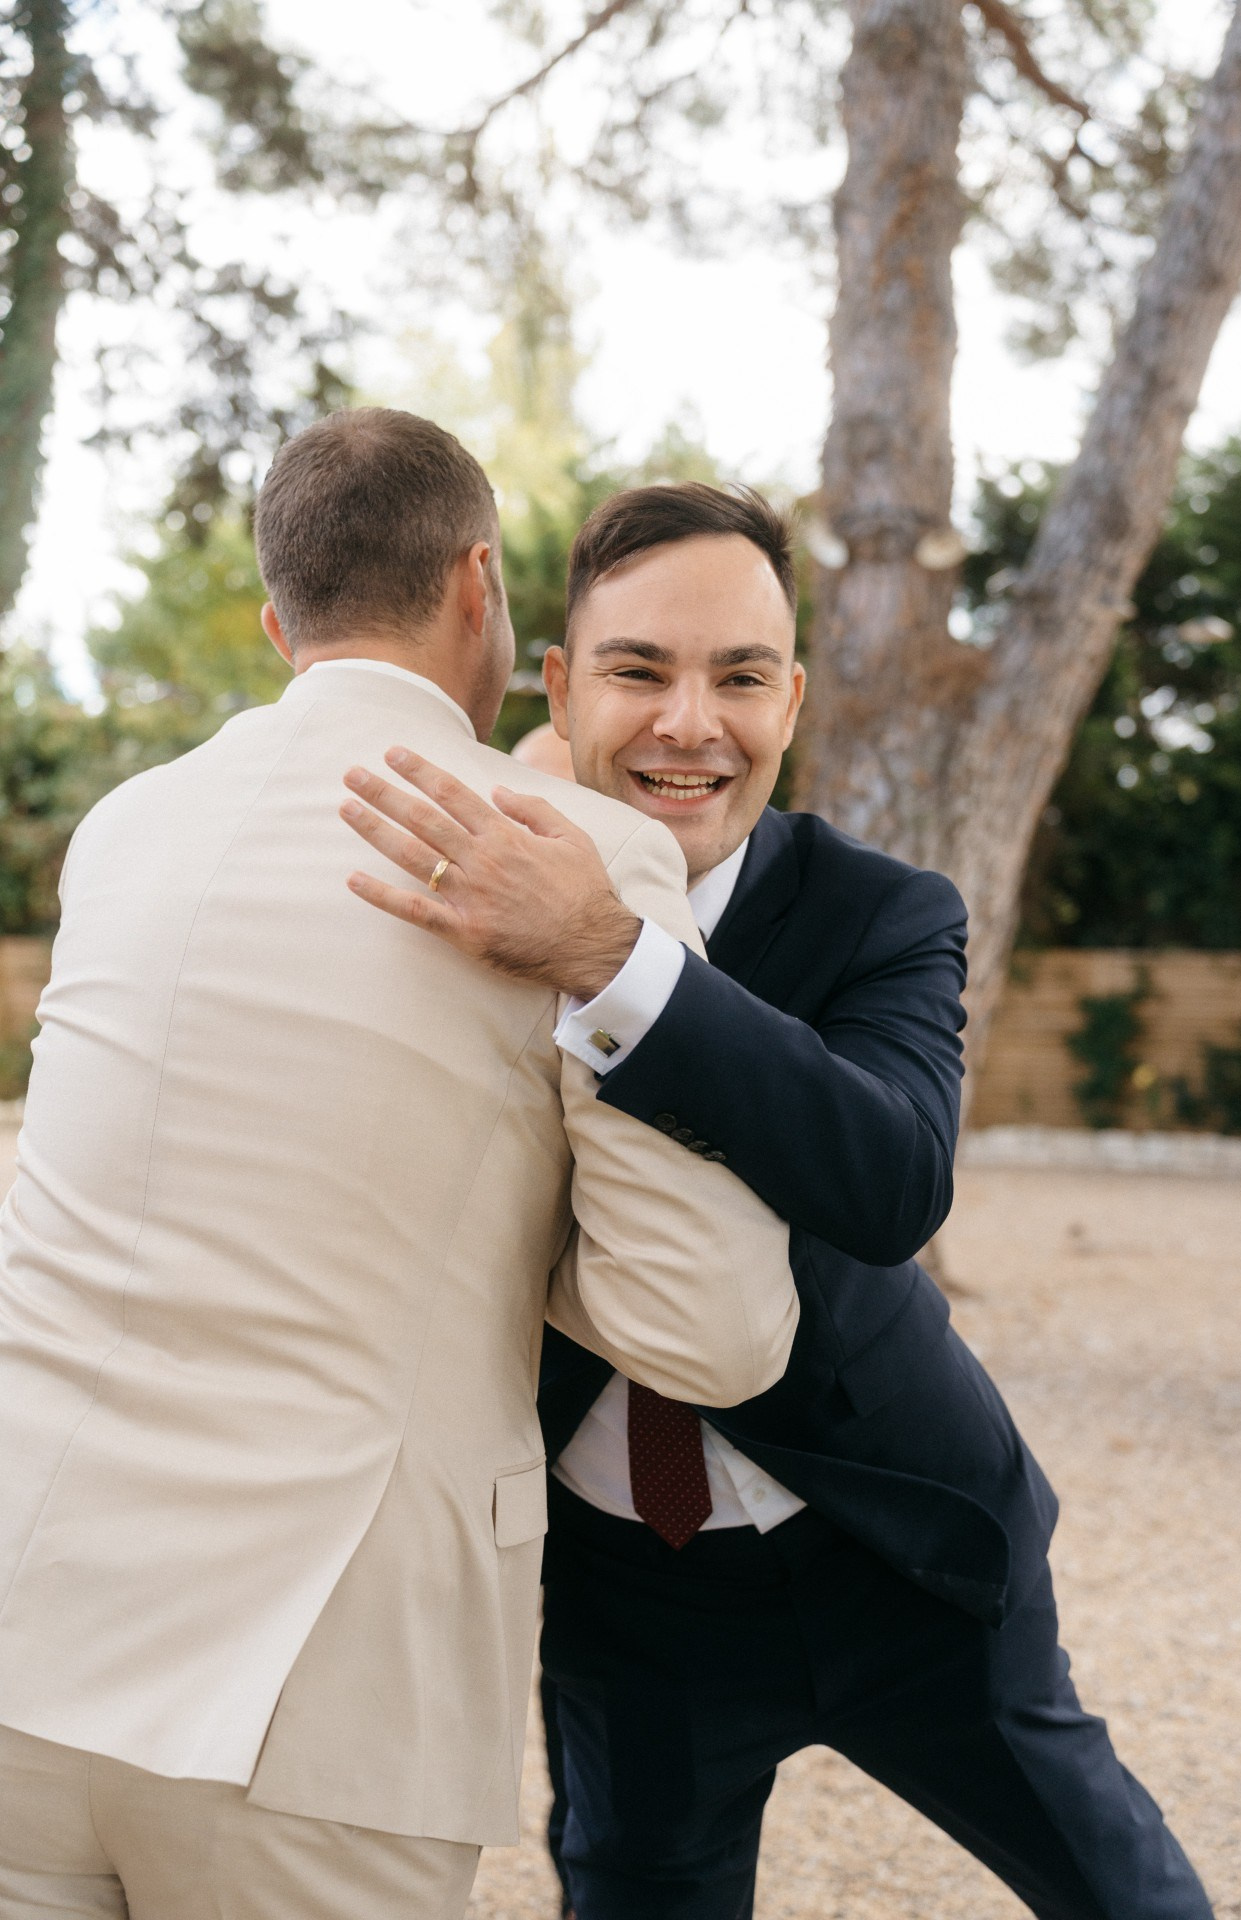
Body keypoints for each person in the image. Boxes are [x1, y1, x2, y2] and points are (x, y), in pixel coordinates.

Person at [341, 481, 1215, 1920]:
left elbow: (889, 1180)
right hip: (631, 1596)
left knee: (1128, 1894)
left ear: (792, 701)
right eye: (638, 671)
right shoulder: (465, 904)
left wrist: (616, 959)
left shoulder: (886, 914)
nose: (693, 723)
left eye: (740, 676)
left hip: (902, 1547)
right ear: (560, 684)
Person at [0, 419, 799, 1920]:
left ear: (275, 621)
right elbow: (713, 1331)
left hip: (23, 1624)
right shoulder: (589, 856)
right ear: (479, 584)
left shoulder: (124, 831)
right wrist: (498, 1238)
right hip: (317, 1689)